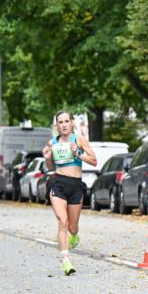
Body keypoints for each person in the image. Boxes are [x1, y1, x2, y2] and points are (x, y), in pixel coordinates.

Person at [42, 111, 97, 275]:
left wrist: (78, 153)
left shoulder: (78, 139)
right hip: (58, 183)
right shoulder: (52, 143)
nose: (64, 125)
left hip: (75, 185)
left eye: (66, 121)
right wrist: (47, 157)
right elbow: (50, 167)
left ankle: (74, 236)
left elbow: (94, 161)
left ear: (71, 123)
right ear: (57, 125)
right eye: (60, 122)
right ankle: (66, 261)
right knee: (62, 221)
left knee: (72, 227)